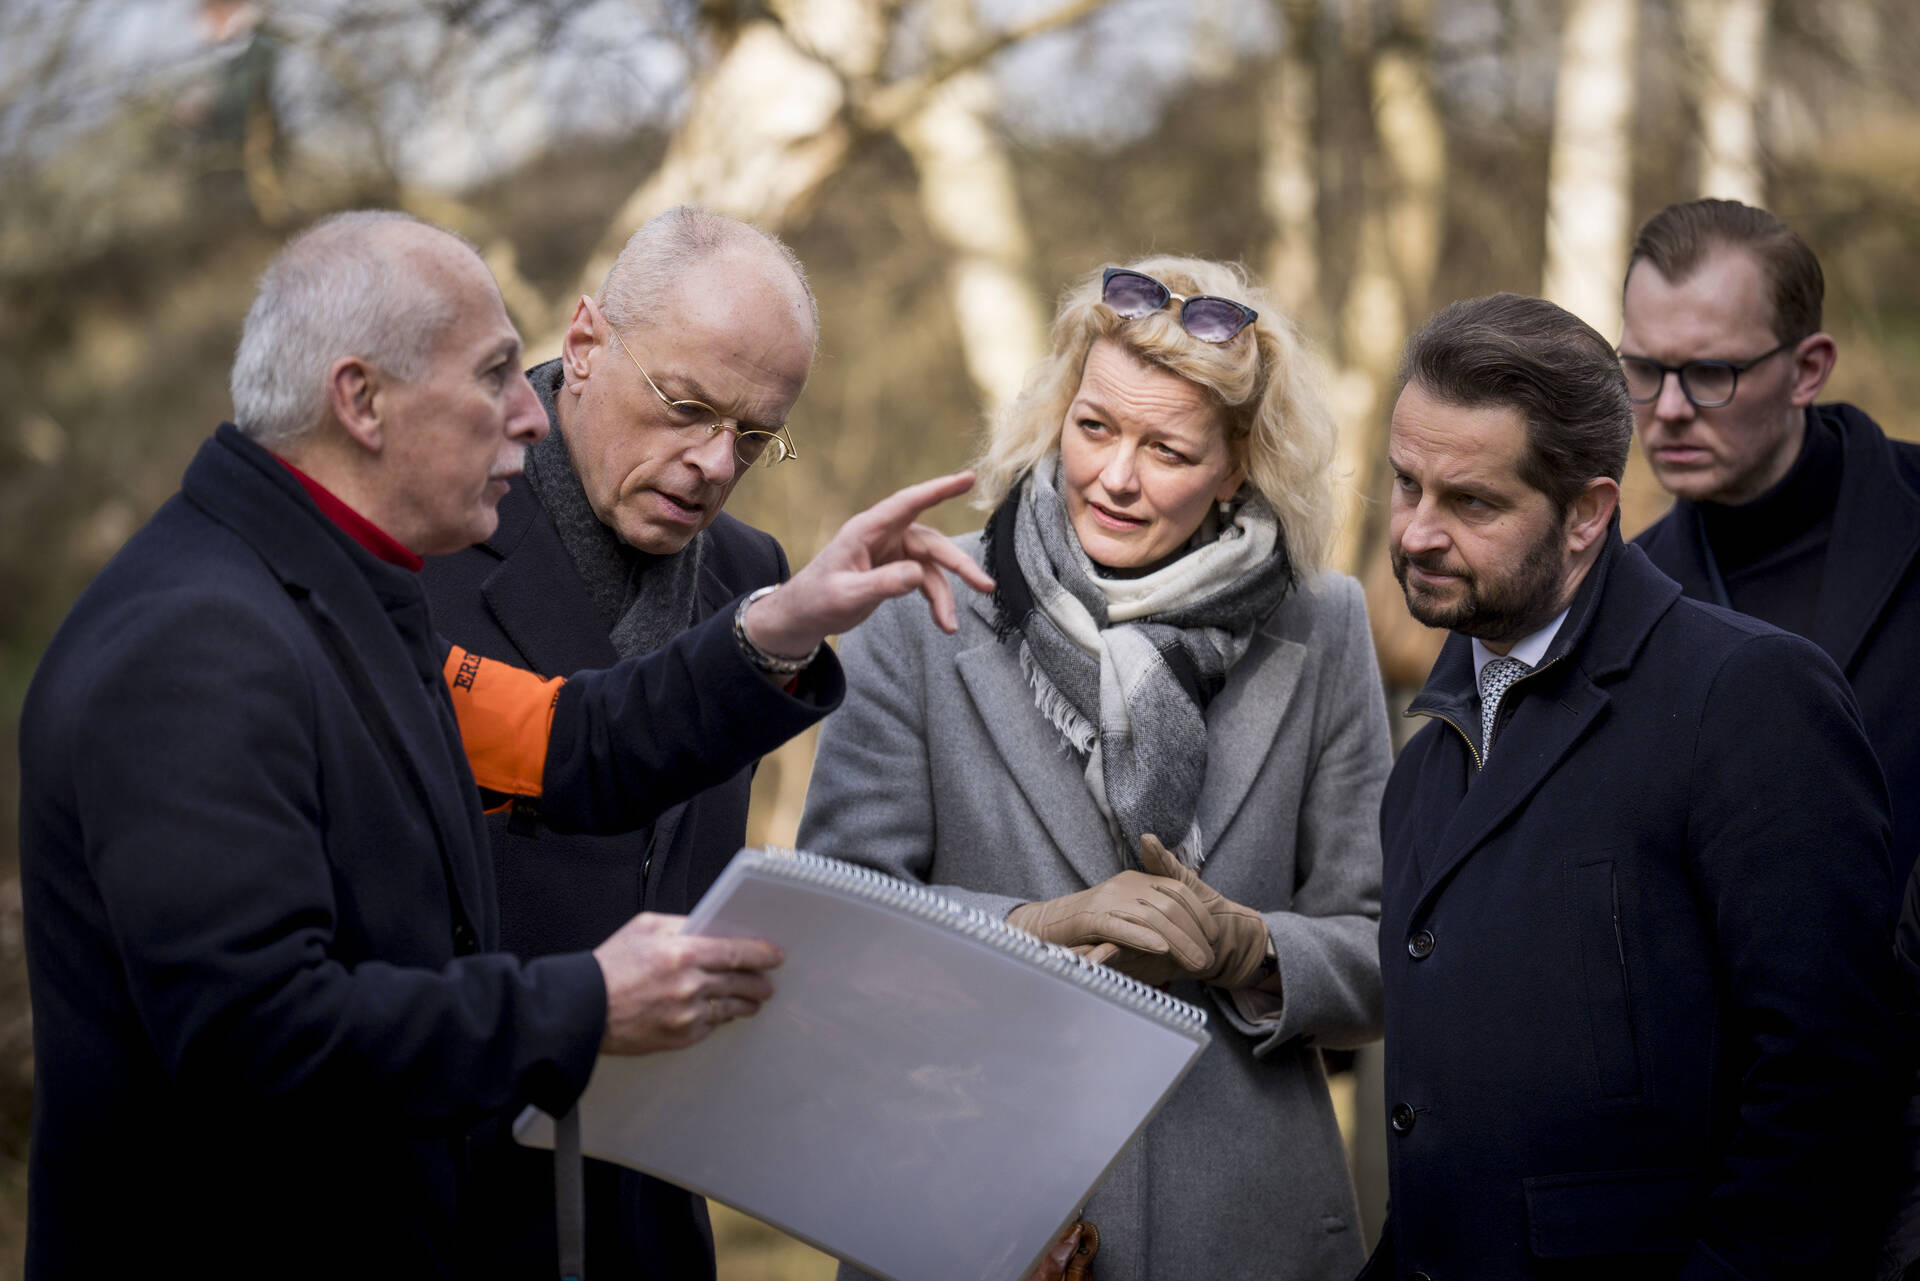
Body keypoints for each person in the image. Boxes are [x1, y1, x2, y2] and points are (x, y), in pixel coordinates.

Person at [17, 209, 992, 1279]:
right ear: (362, 400)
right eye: (492, 378)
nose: (527, 416)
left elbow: (572, 742)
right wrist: (585, 1003)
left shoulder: (337, 597)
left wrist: (778, 624)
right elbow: (258, 1039)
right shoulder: (198, 641)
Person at [799, 258, 1391, 1281]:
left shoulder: (1325, 624)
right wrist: (1042, 931)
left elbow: (1388, 955)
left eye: (1168, 449)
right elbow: (843, 939)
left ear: (1239, 466)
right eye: (1095, 427)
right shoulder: (923, 610)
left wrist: (1251, 951)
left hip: (1248, 1237)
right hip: (974, 1219)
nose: (1116, 477)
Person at [1366, 292, 1901, 1279]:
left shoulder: (1746, 694)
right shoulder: (1428, 758)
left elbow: (1828, 1084)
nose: (1418, 533)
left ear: (1587, 515)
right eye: (1406, 486)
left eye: (1471, 501)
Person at [421, 207, 815, 1278]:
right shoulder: (432, 538)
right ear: (585, 345)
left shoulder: (752, 572)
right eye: (685, 407)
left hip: (652, 1199)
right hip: (453, 1187)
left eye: (752, 435)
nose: (712, 462)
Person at [1619, 198, 1920, 888]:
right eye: (1642, 369)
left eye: (1710, 372)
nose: (1668, 409)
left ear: (1807, 369)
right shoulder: (1621, 602)